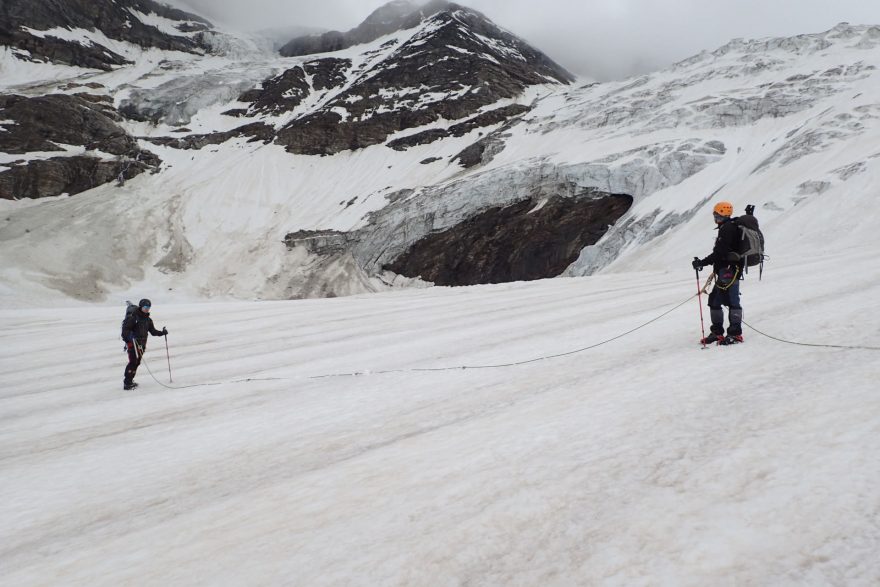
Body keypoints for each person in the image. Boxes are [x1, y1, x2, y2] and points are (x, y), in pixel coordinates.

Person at [692, 201, 744, 345]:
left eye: (716, 214)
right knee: (714, 300)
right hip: (726, 269)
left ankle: (735, 333)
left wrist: (701, 262)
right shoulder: (729, 227)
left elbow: (719, 252)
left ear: (721, 214)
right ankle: (718, 332)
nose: (715, 217)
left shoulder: (727, 229)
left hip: (729, 270)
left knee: (732, 300)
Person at [121, 298, 167, 390]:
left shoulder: (148, 320)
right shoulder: (133, 318)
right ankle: (127, 383)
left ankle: (130, 381)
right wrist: (130, 337)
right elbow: (125, 331)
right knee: (133, 362)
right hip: (132, 344)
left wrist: (162, 333)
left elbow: (153, 331)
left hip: (141, 345)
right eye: (145, 307)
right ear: (141, 306)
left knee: (137, 363)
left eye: (148, 307)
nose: (147, 309)